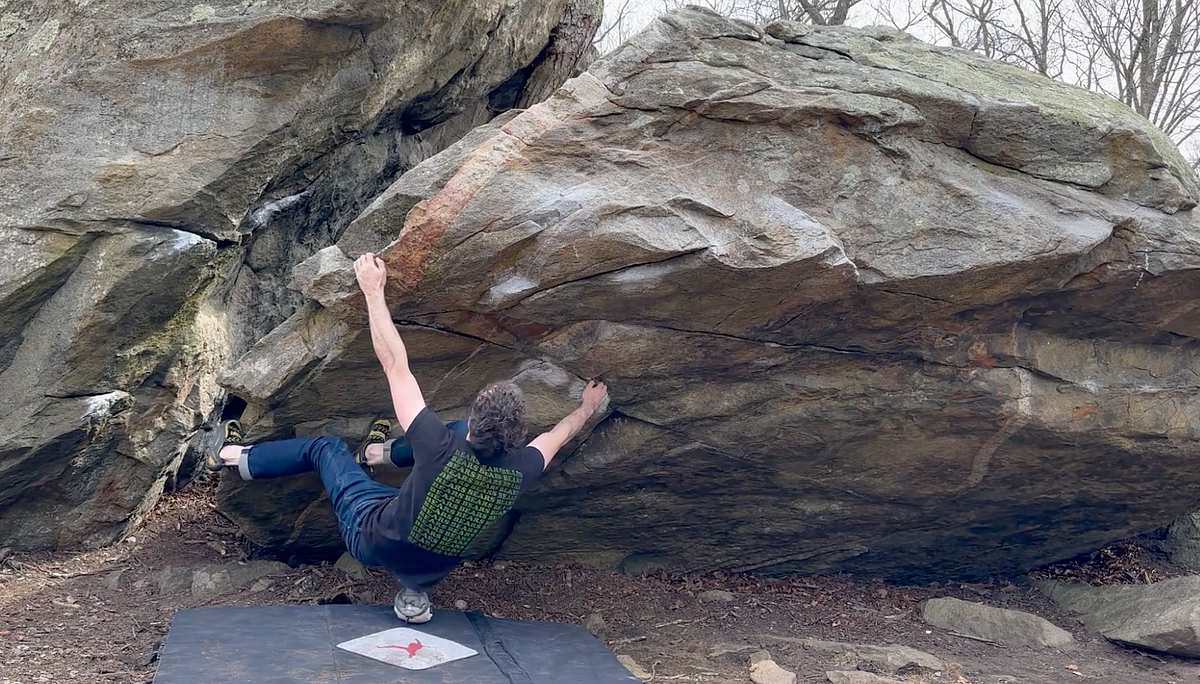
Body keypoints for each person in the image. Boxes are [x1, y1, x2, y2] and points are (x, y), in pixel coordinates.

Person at [206, 252, 609, 624]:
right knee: (428, 507)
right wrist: (588, 406)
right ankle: (412, 586)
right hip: (430, 563)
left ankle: (235, 457)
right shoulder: (523, 466)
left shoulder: (439, 446)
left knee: (324, 447)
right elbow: (561, 432)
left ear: (475, 422)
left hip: (372, 537)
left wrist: (373, 291)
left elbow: (394, 363)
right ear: (518, 437)